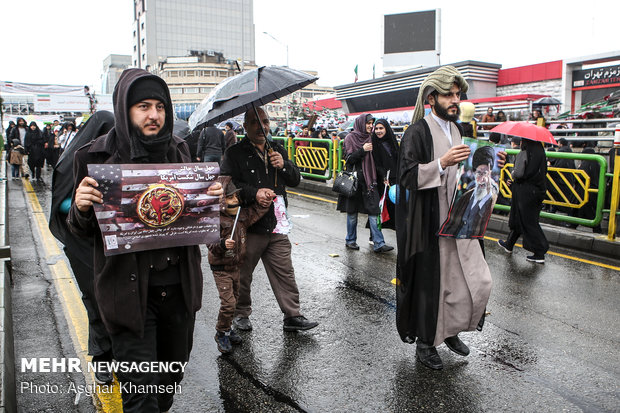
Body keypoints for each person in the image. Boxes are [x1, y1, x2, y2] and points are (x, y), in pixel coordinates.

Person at [67, 68, 223, 412]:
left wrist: (210, 198)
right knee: (141, 399)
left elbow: (191, 215)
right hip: (128, 296)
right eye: (143, 106)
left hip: (178, 294)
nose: (154, 115)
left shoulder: (180, 151)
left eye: (160, 106)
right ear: (125, 109)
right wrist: (80, 208)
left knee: (168, 385)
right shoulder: (94, 158)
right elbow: (79, 230)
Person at [395, 65, 492, 370]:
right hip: (429, 226)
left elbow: (465, 174)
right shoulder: (417, 132)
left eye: (458, 94)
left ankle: (450, 331)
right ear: (432, 97)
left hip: (460, 223)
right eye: (449, 95)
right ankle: (426, 343)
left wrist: (488, 161)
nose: (455, 100)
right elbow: (407, 177)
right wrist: (440, 163)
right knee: (431, 287)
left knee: (466, 282)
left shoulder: (458, 129)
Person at [220, 107, 318, 332]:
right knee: (243, 274)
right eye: (255, 122)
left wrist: (283, 165)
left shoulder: (277, 148)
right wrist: (254, 193)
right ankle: (241, 313)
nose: (261, 126)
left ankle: (292, 315)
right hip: (249, 226)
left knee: (285, 272)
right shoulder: (235, 153)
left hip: (276, 225)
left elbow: (295, 179)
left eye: (264, 121)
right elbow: (227, 185)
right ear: (245, 127)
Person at [49, 111, 116, 385]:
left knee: (116, 300)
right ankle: (101, 359)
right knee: (96, 301)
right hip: (81, 243)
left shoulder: (114, 158)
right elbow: (61, 204)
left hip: (108, 242)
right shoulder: (72, 162)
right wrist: (83, 204)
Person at [208, 179, 268, 353]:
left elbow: (256, 212)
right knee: (228, 303)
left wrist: (266, 202)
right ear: (221, 200)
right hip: (221, 268)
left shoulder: (241, 217)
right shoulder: (216, 220)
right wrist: (221, 244)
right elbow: (210, 244)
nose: (234, 200)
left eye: (235, 196)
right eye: (229, 197)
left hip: (236, 267)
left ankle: (228, 328)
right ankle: (221, 332)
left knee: (233, 302)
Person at [337, 114, 394, 253]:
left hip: (370, 182)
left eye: (371, 123)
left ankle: (379, 243)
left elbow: (376, 162)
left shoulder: (371, 138)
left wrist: (383, 177)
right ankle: (350, 240)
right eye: (368, 123)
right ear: (361, 123)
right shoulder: (350, 138)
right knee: (352, 214)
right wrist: (362, 150)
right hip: (355, 182)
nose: (370, 126)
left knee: (374, 213)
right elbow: (349, 159)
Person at [498, 138, 549, 263]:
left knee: (528, 222)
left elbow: (519, 173)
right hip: (536, 191)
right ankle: (509, 244)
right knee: (520, 219)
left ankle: (539, 251)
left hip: (524, 192)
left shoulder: (523, 153)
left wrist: (513, 174)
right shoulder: (540, 153)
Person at [439, 146, 498, 238]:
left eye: (485, 173)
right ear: (474, 173)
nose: (483, 179)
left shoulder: (492, 190)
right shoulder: (467, 194)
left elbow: (486, 208)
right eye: (479, 173)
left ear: (490, 173)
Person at [370, 119, 399, 230]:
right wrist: (383, 176)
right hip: (382, 180)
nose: (378, 131)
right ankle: (375, 237)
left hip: (395, 179)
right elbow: (376, 163)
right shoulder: (374, 144)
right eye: (376, 128)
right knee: (380, 208)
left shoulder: (392, 142)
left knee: (394, 208)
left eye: (381, 128)